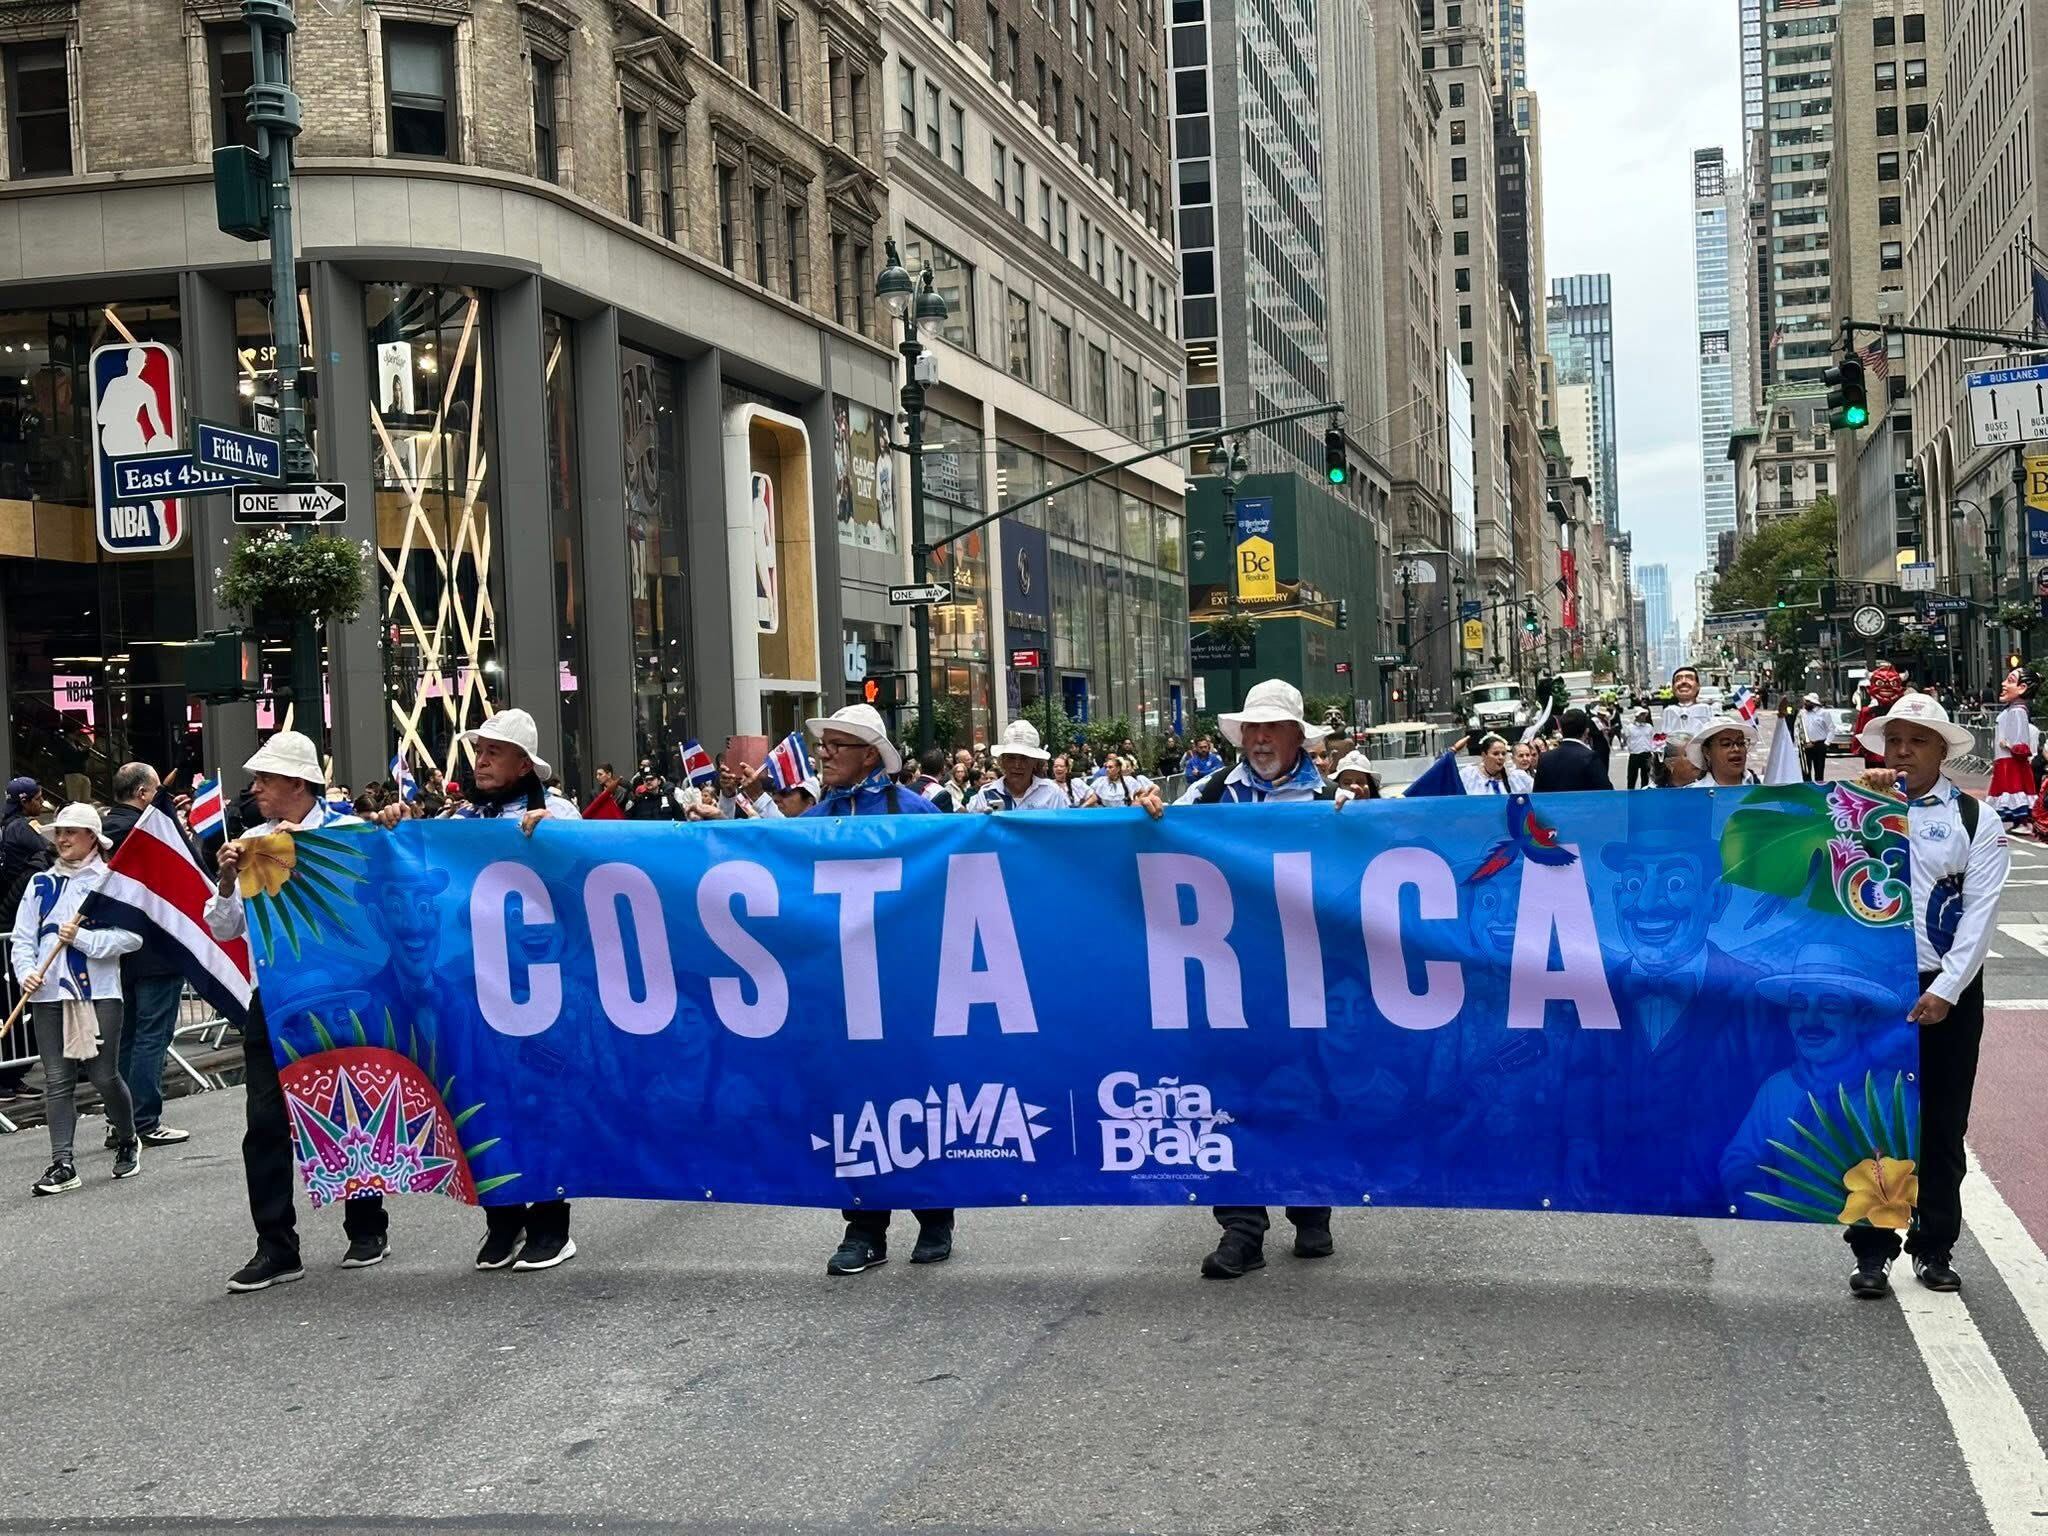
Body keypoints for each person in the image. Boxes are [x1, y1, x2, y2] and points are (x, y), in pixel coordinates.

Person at [1133, 679, 1336, 1278]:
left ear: (1298, 736)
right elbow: (1150, 834)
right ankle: (1241, 1228)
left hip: (1301, 978)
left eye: (1271, 727)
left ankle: (1310, 1206)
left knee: (1301, 1091)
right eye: (1251, 727)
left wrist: (1356, 821)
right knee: (1225, 1098)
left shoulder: (1334, 799)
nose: (1259, 738)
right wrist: (1145, 810)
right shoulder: (1210, 792)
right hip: (1222, 981)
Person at [206, 731, 391, 1294]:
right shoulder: (250, 845)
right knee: (263, 1123)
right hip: (274, 1001)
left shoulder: (345, 835)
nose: (256, 788)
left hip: (344, 994)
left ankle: (366, 1226)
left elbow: (377, 900)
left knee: (352, 1108)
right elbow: (224, 927)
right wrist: (226, 879)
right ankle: (276, 1246)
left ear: (296, 782)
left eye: (264, 779)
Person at [1846, 693, 2009, 1298]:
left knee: (1942, 1122)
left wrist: (1945, 989)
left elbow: (1981, 915)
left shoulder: (1975, 819)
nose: (1903, 752)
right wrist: (1857, 806)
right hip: (1871, 989)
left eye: (1917, 741)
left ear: (1942, 750)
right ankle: (1872, 1249)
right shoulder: (1858, 808)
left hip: (1948, 989)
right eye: (1895, 741)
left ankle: (1934, 1244)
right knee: (1876, 1121)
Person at [436, 708, 581, 1272]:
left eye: (494, 752)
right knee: (484, 1099)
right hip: (480, 986)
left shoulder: (557, 812)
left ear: (525, 764)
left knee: (542, 1101)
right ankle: (502, 1219)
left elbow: (595, 872)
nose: (482, 761)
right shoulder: (462, 819)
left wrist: (557, 837)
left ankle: (551, 1224)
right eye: (479, 751)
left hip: (545, 985)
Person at [803, 704, 946, 1273]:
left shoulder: (915, 813)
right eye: (824, 745)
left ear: (870, 754)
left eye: (838, 744)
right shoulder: (813, 820)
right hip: (842, 990)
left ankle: (935, 1213)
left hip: (905, 986)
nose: (826, 753)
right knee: (853, 1102)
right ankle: (864, 1226)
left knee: (916, 1096)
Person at [10, 802, 142, 1195]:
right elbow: (22, 937)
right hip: (47, 993)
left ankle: (127, 1137)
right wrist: (26, 973)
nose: (62, 839)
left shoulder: (110, 882)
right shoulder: (40, 884)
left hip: (99, 993)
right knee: (56, 1080)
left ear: (92, 839)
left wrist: (82, 939)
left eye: (71, 832)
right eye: (59, 833)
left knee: (104, 1075)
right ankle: (62, 1162)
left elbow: (131, 937)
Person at [100, 761, 191, 1148]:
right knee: (152, 1036)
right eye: (155, 791)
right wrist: (170, 818)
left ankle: (119, 1121)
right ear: (142, 794)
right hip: (157, 947)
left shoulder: (100, 833)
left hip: (119, 952)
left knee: (128, 1037)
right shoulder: (148, 831)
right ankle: (144, 1120)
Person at [970, 721, 1070, 811]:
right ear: (1003, 761)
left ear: (1035, 762)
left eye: (1024, 758)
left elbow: (1063, 828)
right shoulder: (987, 794)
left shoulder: (1051, 793)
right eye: (1011, 758)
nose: (1017, 765)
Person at [1988, 667, 2039, 829]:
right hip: (2005, 760)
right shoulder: (2013, 709)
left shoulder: (2018, 711)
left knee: (2014, 790)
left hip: (2011, 761)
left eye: (2009, 681)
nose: (2003, 684)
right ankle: (2019, 821)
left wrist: (2009, 746)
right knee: (2008, 792)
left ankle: (2022, 821)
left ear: (2022, 688)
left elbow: (2021, 743)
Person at [1532, 709, 1612, 793]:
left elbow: (1537, 793)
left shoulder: (1545, 758)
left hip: (1553, 805)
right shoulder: (1591, 757)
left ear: (1561, 731)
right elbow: (1606, 792)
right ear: (1586, 731)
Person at [1687, 715, 1759, 788]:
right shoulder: (1693, 794)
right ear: (1707, 752)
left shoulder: (1762, 787)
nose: (1736, 749)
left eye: (1741, 743)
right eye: (1726, 744)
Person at [1658, 667, 1714, 750]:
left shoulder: (1705, 708)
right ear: (1673, 688)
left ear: (1698, 686)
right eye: (1678, 679)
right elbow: (1665, 735)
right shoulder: (1669, 711)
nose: (1683, 682)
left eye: (1689, 678)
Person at [1458, 734, 1533, 796]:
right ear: (1484, 755)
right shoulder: (1468, 775)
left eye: (1503, 754)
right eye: (1495, 754)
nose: (1501, 757)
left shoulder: (1516, 777)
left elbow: (1537, 795)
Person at [1795, 693, 1834, 785]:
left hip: (1819, 744)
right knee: (1805, 771)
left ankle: (1819, 787)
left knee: (1819, 770)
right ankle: (1807, 789)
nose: (1805, 704)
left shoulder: (1824, 713)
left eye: (1808, 702)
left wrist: (1826, 743)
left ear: (1814, 703)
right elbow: (1797, 728)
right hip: (1805, 745)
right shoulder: (1802, 713)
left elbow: (1832, 729)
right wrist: (1799, 741)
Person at [1622, 708, 1657, 789]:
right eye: (1641, 715)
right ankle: (1630, 794)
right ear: (1636, 716)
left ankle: (1643, 795)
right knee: (1631, 777)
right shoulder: (1630, 727)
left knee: (1645, 777)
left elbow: (1653, 739)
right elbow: (1624, 738)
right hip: (1635, 755)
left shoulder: (1649, 727)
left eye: (1644, 715)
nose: (1644, 717)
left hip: (1646, 754)